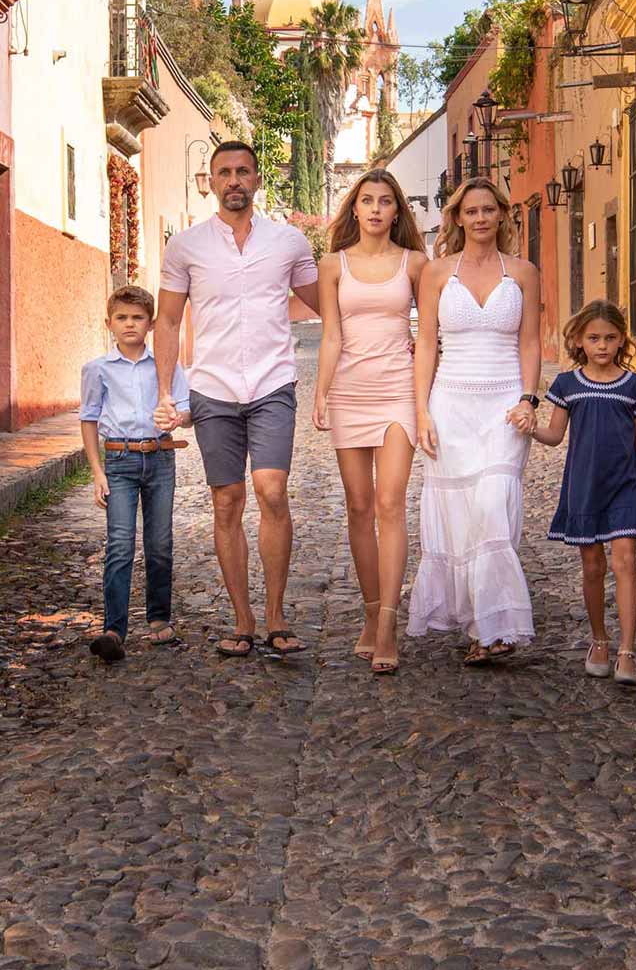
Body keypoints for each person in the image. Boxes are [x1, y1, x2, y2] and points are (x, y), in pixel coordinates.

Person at [154, 141, 321, 658]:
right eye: (223, 172)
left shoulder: (289, 242)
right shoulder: (185, 246)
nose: (233, 180)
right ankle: (242, 618)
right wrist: (165, 391)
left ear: (256, 179)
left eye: (243, 171)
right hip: (212, 390)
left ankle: (274, 614)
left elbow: (329, 307)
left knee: (272, 491)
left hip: (273, 383)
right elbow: (167, 320)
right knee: (226, 501)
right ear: (211, 179)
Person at [407, 177, 542, 666]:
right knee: (461, 516)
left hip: (505, 401)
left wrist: (529, 399)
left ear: (503, 215)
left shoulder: (524, 272)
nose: (481, 218)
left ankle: (496, 621)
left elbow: (530, 342)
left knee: (493, 503)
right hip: (451, 402)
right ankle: (482, 627)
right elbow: (425, 344)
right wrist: (421, 409)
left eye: (489, 210)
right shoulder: (438, 272)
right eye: (471, 211)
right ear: (458, 218)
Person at [311, 171, 429, 675]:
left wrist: (425, 400)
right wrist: (319, 391)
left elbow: (429, 336)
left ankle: (387, 623)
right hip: (349, 391)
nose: (376, 209)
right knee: (358, 507)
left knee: (389, 502)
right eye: (367, 201)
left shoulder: (417, 264)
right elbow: (332, 335)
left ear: (397, 211)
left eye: (385, 201)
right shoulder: (332, 264)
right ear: (354, 210)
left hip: (398, 390)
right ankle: (368, 610)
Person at [526, 300, 636, 684]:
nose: (602, 345)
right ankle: (599, 640)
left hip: (625, 488)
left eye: (610, 338)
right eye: (594, 338)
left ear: (622, 341)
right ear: (579, 341)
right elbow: (553, 436)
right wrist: (529, 426)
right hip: (584, 487)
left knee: (625, 562)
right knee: (593, 566)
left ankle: (627, 652)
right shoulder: (568, 385)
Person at [79, 286, 193, 663]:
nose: (130, 324)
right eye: (122, 318)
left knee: (159, 543)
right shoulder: (98, 369)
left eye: (138, 318)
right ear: (109, 323)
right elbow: (89, 419)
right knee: (120, 545)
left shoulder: (167, 365)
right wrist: (97, 472)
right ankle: (114, 629)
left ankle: (159, 619)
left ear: (151, 323)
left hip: (160, 459)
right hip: (119, 462)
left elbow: (187, 409)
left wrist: (177, 416)